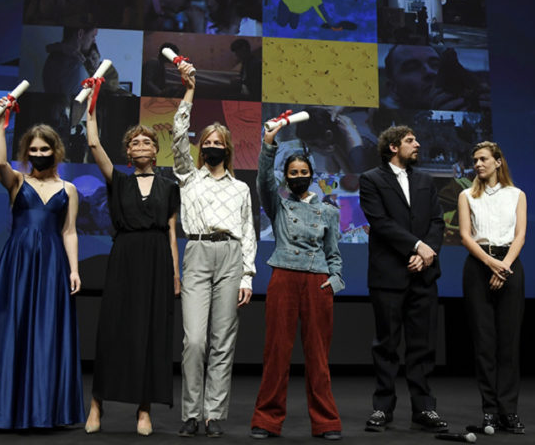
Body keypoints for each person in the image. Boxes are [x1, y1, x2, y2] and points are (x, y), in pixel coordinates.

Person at [0, 103, 83, 429]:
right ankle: (3, 409)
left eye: (45, 148)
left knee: (45, 332)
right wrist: (0, 122)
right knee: (12, 328)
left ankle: (42, 410)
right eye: (33, 149)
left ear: (56, 151)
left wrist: (74, 269)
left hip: (53, 262)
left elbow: (69, 231)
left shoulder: (69, 190)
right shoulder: (16, 182)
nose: (39, 153)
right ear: (26, 153)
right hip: (18, 263)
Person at [82, 96, 180, 436]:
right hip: (124, 256)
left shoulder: (169, 187)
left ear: (155, 151)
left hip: (156, 260)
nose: (140, 145)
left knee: (149, 333)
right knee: (113, 331)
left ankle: (144, 409)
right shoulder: (118, 181)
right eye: (134, 142)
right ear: (128, 153)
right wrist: (91, 107)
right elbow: (93, 142)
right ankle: (97, 404)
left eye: (147, 141)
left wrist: (175, 272)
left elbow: (170, 231)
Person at [173, 61, 256, 437]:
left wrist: (249, 275)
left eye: (218, 143)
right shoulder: (188, 177)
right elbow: (176, 136)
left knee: (223, 341)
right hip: (198, 253)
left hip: (231, 258)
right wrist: (189, 91)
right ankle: (190, 412)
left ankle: (213, 415)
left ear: (228, 148)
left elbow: (249, 232)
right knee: (194, 340)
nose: (211, 147)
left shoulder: (241, 189)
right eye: (206, 143)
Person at [249, 121, 344, 440]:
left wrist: (335, 282)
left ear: (312, 174)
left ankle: (327, 422)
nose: (299, 176)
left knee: (318, 355)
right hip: (284, 277)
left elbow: (334, 254)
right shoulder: (278, 205)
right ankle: (266, 420)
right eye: (294, 173)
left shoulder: (328, 212)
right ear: (286, 177)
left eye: (304, 172)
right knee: (276, 351)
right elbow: (263, 179)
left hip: (318, 283)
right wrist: (268, 144)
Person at [358, 126, 449, 434]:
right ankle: (382, 407)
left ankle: (424, 408)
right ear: (393, 147)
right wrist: (416, 246)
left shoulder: (425, 179)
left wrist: (427, 252)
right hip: (388, 275)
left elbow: (437, 221)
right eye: (411, 140)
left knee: (422, 345)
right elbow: (380, 223)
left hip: (423, 274)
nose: (418, 143)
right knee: (386, 344)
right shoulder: (371, 179)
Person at [457, 141, 527, 434]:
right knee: (484, 344)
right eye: (475, 160)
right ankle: (489, 411)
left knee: (508, 344)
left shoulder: (517, 194)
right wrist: (490, 263)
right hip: (478, 266)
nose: (478, 164)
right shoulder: (466, 195)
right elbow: (465, 236)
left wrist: (504, 266)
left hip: (509, 264)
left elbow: (521, 235)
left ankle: (508, 411)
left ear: (498, 161)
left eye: (483, 159)